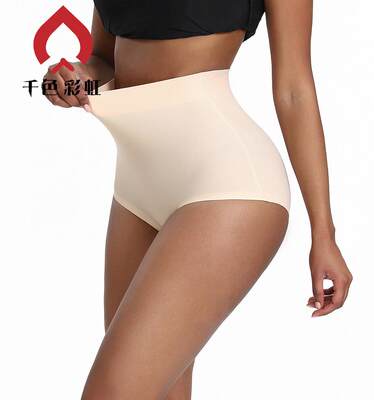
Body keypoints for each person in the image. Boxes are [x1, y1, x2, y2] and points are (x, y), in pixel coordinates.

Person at [43, 1, 353, 399]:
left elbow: (294, 90)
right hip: (136, 187)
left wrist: (323, 233)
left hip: (225, 181)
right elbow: (103, 62)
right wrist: (72, 80)